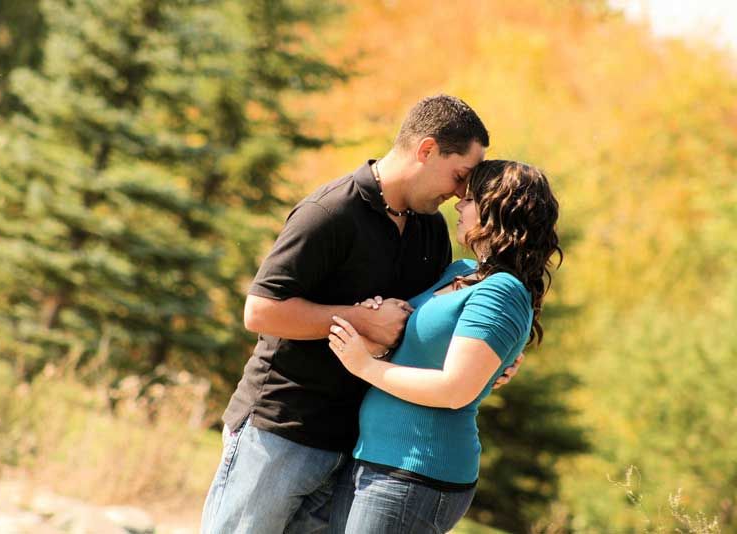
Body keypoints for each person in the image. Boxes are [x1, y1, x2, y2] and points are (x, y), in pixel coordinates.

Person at [200, 95, 522, 534]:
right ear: (426, 150)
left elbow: (431, 321)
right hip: (282, 429)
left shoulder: (430, 228)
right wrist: (360, 319)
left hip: (358, 448)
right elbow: (260, 311)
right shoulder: (331, 211)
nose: (460, 194)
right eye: (459, 175)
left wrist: (494, 359)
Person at [326, 160, 561, 534]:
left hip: (418, 470)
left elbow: (455, 390)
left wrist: (364, 366)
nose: (458, 205)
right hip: (375, 457)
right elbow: (420, 353)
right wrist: (375, 324)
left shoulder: (503, 292)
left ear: (498, 210)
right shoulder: (460, 271)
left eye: (469, 199)